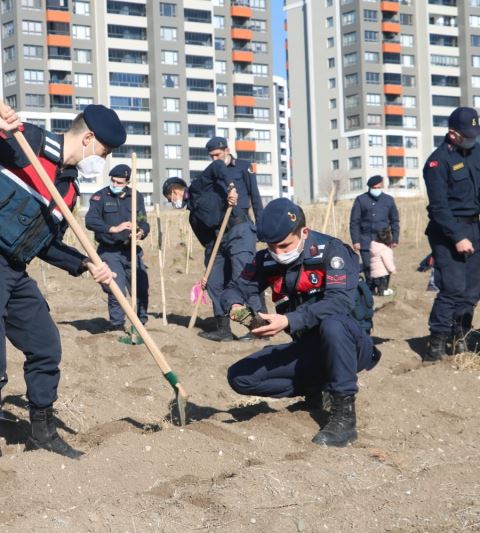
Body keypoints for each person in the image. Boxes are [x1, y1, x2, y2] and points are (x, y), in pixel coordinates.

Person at [0, 102, 119, 461]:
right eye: (104, 152)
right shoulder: (27, 141)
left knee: (45, 344)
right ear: (88, 139)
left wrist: (86, 263)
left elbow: (44, 245)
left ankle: (41, 431)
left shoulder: (68, 190)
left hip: (12, 267)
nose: (102, 161)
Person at [223, 198, 380, 447]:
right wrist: (236, 307)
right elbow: (234, 289)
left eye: (285, 246)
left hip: (350, 345)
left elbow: (339, 302)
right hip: (310, 348)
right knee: (240, 377)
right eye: (272, 247)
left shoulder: (332, 251)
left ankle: (344, 416)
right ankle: (317, 389)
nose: (279, 253)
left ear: (304, 232)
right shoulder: (267, 259)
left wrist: (287, 320)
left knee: (332, 324)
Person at [163, 135, 263, 342]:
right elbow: (209, 243)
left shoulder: (200, 185)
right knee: (216, 283)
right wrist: (207, 270)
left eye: (169, 198)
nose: (172, 202)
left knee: (243, 277)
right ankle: (225, 328)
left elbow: (217, 167)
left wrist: (231, 187)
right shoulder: (193, 218)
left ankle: (259, 327)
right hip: (220, 243)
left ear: (175, 191)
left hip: (238, 229)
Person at [422, 106, 480, 360]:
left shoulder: (477, 152)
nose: (472, 139)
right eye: (467, 135)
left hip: (475, 226)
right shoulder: (438, 162)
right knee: (453, 288)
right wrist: (457, 237)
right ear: (452, 134)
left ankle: (461, 336)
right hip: (447, 231)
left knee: (472, 290)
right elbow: (438, 207)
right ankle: (437, 341)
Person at [84, 164, 149, 332]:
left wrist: (141, 231)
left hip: (131, 250)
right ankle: (117, 325)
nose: (115, 184)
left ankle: (141, 323)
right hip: (109, 250)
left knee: (141, 286)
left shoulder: (136, 196)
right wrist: (113, 228)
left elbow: (143, 219)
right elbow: (90, 221)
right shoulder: (100, 197)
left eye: (120, 183)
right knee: (116, 289)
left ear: (127, 182)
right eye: (113, 181)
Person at [349, 175, 400, 290]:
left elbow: (395, 221)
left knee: (385, 264)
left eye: (379, 187)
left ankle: (383, 287)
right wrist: (356, 241)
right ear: (370, 187)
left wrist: (395, 238)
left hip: (384, 239)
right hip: (365, 239)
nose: (377, 190)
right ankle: (370, 288)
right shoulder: (361, 200)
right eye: (375, 187)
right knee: (368, 265)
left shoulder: (388, 200)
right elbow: (354, 222)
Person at [369, 227, 396, 297]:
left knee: (373, 285)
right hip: (382, 274)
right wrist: (393, 270)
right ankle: (382, 292)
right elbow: (388, 262)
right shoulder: (385, 250)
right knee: (382, 288)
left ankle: (372, 293)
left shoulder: (374, 247)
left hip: (374, 273)